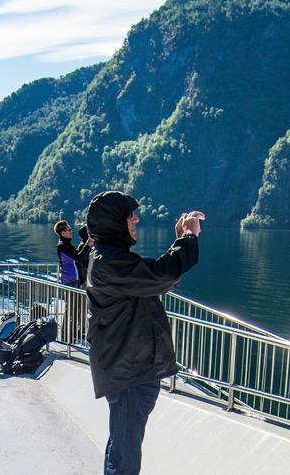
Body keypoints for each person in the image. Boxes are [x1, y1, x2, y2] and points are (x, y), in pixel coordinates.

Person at [83, 191, 202, 475]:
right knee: (125, 457)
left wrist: (180, 241)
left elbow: (155, 278)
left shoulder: (108, 258)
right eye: (129, 215)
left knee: (121, 446)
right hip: (128, 375)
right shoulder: (110, 263)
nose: (136, 219)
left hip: (127, 371)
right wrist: (188, 238)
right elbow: (162, 275)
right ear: (114, 222)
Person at [55, 220, 90, 287]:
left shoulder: (66, 244)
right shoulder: (63, 246)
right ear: (63, 233)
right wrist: (88, 244)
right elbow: (78, 258)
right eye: (69, 229)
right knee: (72, 297)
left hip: (73, 279)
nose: (71, 231)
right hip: (71, 280)